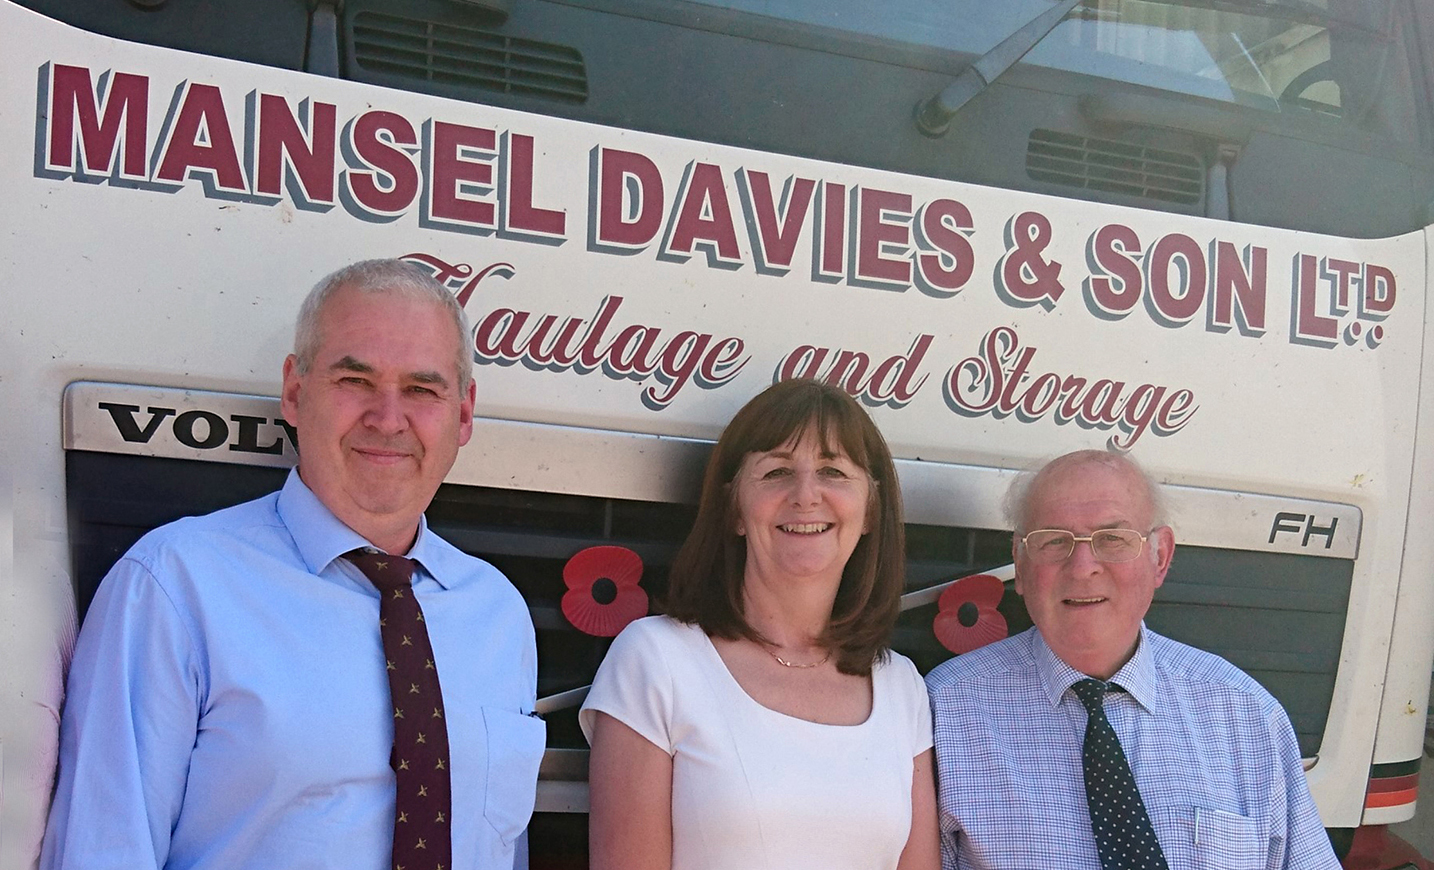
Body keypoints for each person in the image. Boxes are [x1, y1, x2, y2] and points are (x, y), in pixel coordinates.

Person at [40, 259, 545, 870]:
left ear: (463, 413)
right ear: (295, 392)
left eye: (422, 389)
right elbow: (102, 851)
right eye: (355, 380)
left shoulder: (498, 613)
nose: (388, 419)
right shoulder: (172, 587)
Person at [580, 379, 939, 870]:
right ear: (734, 509)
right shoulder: (655, 660)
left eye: (833, 471)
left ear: (872, 509)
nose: (806, 495)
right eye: (776, 472)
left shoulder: (901, 686)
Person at [925, 449, 1341, 870]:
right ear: (1019, 561)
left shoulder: (1247, 715)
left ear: (1160, 557)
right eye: (1054, 540)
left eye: (1112, 539)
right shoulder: (944, 713)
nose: (1082, 567)